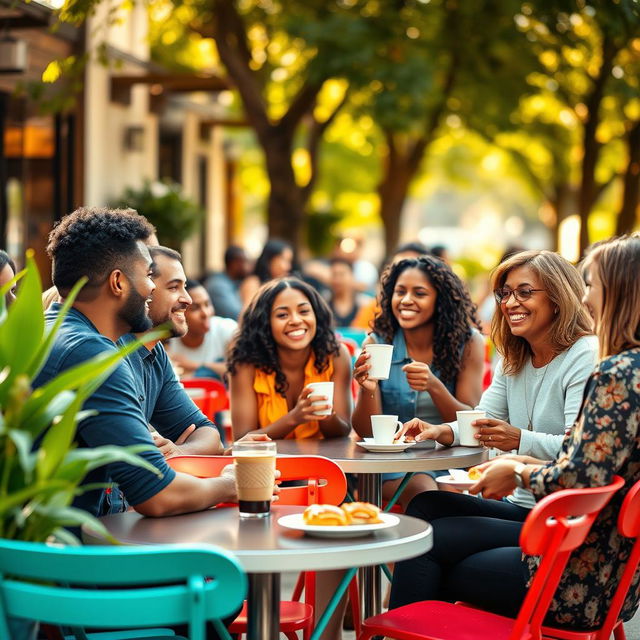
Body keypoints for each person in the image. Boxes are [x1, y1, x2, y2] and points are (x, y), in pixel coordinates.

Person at [389, 249, 599, 611]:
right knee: (426, 504)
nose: (509, 302)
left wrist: (518, 439)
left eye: (524, 292)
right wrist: (443, 431)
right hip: (523, 507)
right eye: (504, 293)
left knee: (428, 543)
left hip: (561, 518)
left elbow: (577, 448)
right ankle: (413, 631)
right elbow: (483, 418)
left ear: (558, 296)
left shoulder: (584, 353)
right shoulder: (514, 356)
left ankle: (402, 633)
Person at [34, 207, 273, 522]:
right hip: (72, 556)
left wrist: (177, 454)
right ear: (118, 282)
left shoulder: (48, 331)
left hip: (37, 543)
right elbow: (157, 495)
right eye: (148, 275)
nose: (151, 289)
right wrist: (232, 484)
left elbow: (201, 438)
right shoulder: (94, 355)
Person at [352, 255, 486, 506]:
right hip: (392, 466)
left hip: (448, 461)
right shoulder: (377, 343)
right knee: (425, 490)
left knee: (449, 495)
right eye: (399, 292)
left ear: (440, 301)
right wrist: (367, 390)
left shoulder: (468, 343)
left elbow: (470, 423)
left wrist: (434, 386)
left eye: (419, 293)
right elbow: (366, 431)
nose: (406, 300)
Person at [228, 277, 352, 441]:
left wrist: (326, 414)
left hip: (322, 463)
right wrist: (294, 418)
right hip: (268, 464)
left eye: (304, 311)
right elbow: (242, 440)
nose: (295, 320)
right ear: (265, 323)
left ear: (316, 315)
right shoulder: (245, 364)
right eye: (282, 315)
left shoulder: (336, 355)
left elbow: (343, 431)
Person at [167, 279, 237, 381]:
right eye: (195, 308)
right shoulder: (167, 340)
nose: (205, 313)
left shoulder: (227, 329)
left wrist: (193, 365)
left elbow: (238, 371)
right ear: (180, 312)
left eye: (207, 304)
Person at [239, 238, 294, 307]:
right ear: (269, 260)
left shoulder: (283, 283)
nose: (288, 267)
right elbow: (247, 314)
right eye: (284, 260)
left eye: (289, 261)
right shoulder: (253, 283)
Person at [203, 245, 250, 320]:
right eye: (244, 261)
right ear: (234, 263)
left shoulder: (234, 282)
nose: (249, 266)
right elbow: (238, 316)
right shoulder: (218, 285)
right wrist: (249, 296)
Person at [328, 257, 372, 328]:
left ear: (352, 276)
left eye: (341, 274)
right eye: (334, 274)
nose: (337, 279)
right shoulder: (323, 304)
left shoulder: (365, 305)